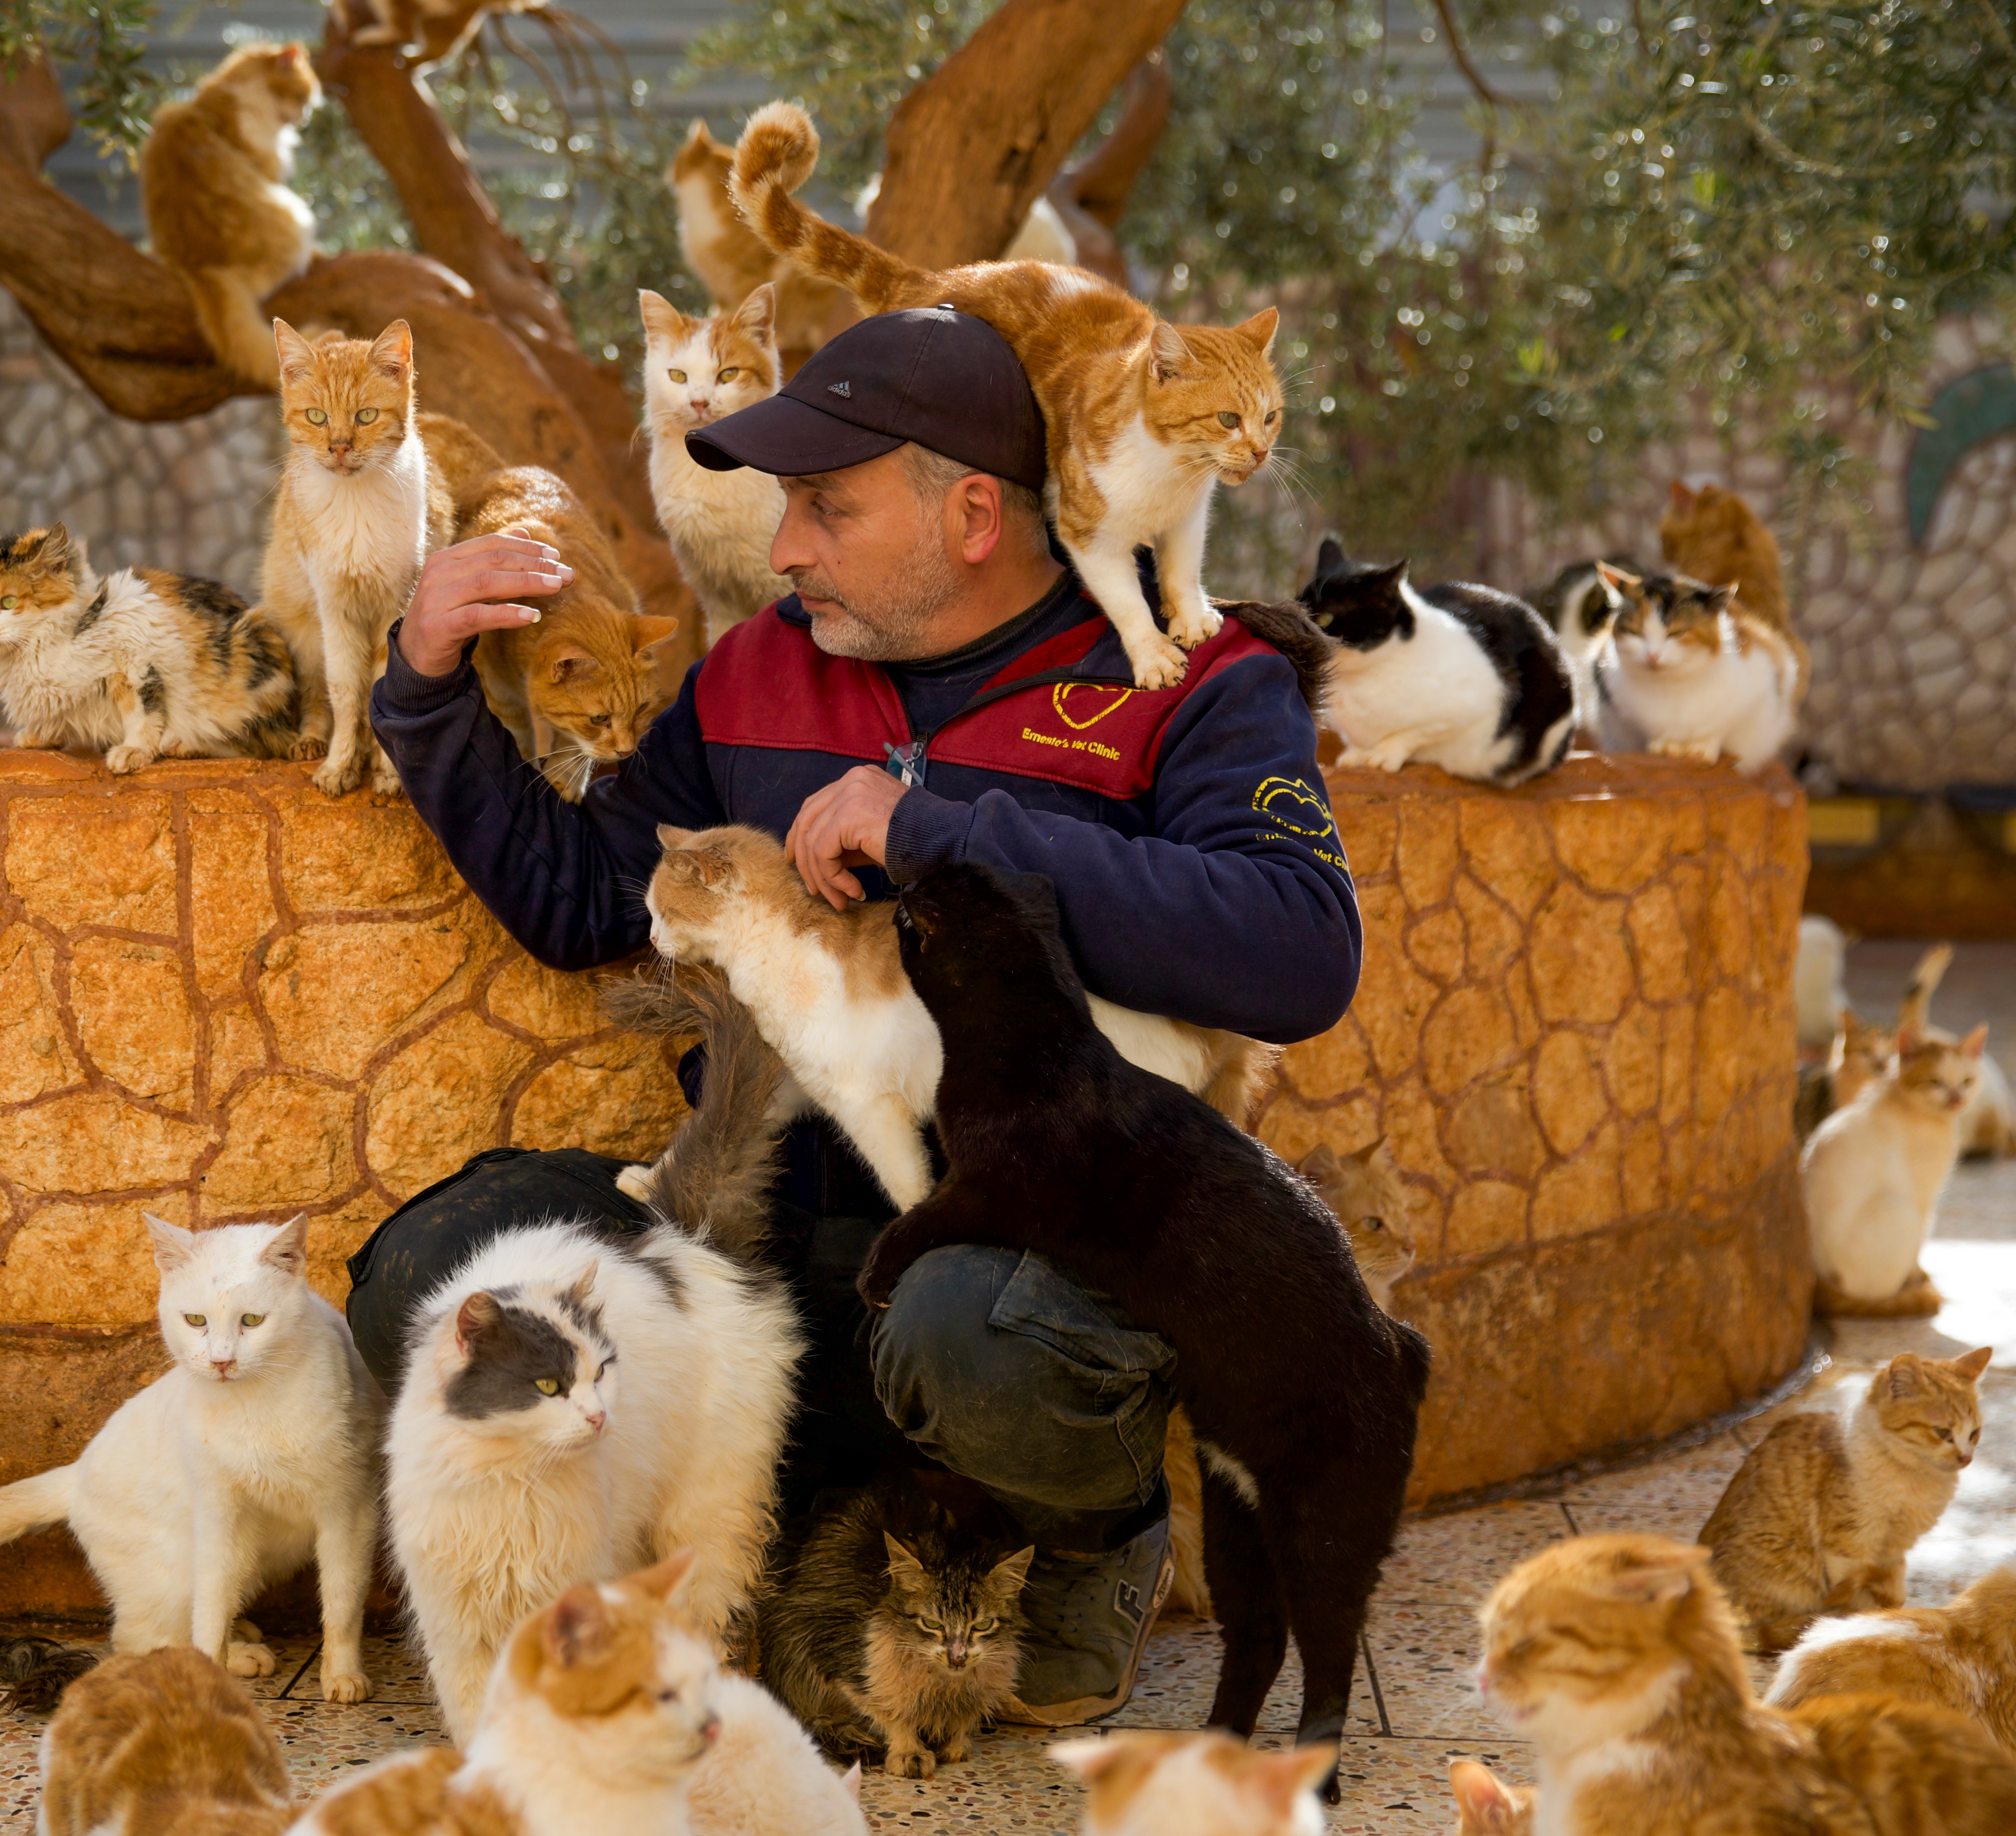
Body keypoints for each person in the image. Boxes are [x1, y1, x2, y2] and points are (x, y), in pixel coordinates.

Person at [348, 303, 1361, 1724]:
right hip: (765, 1242)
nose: (782, 549)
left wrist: (947, 833)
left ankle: (1082, 1538)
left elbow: (1299, 951)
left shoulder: (1191, 681)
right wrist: (429, 689)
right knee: (433, 1281)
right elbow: (587, 895)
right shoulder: (761, 668)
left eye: (827, 507)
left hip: (1018, 1262)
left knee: (972, 1336)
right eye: (783, 508)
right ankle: (795, 1535)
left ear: (967, 514)